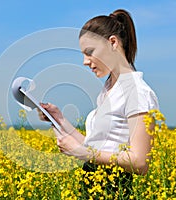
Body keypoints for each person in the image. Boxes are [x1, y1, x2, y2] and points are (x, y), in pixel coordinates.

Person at [39, 9, 159, 197]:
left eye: (90, 52)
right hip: (92, 184)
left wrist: (83, 153)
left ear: (112, 42)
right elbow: (95, 146)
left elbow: (140, 162)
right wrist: (59, 119)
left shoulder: (137, 92)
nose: (85, 62)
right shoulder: (109, 89)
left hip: (112, 188)